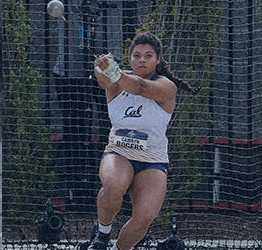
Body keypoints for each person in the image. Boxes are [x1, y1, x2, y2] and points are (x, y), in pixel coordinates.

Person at [84, 33, 197, 250]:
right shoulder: (117, 81)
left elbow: (141, 88)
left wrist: (114, 72)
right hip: (119, 152)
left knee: (144, 218)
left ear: (157, 59)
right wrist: (101, 66)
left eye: (148, 56)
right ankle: (103, 235)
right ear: (130, 58)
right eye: (136, 55)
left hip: (153, 161)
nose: (142, 60)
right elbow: (104, 80)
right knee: (113, 185)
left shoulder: (166, 86)